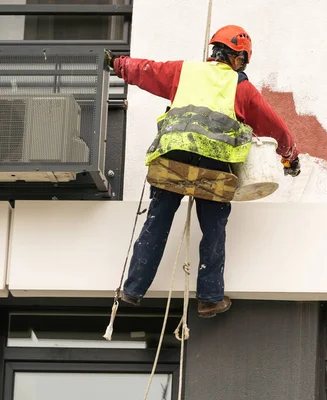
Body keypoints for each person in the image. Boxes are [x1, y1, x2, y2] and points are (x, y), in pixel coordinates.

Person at [105, 25, 301, 318]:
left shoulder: (184, 72)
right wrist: (290, 157)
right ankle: (209, 299)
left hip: (174, 158)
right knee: (213, 230)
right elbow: (275, 127)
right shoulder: (241, 88)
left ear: (214, 52)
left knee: (157, 222)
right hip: (214, 167)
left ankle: (133, 290)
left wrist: (117, 64)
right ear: (240, 59)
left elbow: (147, 71)